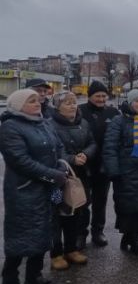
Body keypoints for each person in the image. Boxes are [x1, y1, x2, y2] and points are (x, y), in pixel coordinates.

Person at [0, 89, 68, 284]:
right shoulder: (10, 127)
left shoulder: (43, 122)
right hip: (24, 191)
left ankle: (34, 275)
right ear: (18, 105)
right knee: (20, 234)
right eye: (31, 101)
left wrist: (61, 166)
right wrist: (53, 175)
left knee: (45, 229)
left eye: (38, 100)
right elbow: (20, 161)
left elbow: (59, 147)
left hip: (50, 189)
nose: (37, 103)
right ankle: (9, 283)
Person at [103, 89, 138, 256]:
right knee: (129, 206)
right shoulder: (118, 121)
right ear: (130, 102)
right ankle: (135, 240)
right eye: (137, 101)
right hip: (126, 172)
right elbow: (110, 147)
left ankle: (129, 235)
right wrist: (113, 170)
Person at [49, 91, 97, 270]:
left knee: (76, 212)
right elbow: (52, 150)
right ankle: (56, 253)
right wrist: (71, 159)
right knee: (55, 214)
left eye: (74, 102)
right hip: (57, 179)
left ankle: (71, 249)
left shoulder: (83, 123)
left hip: (80, 177)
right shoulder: (49, 125)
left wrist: (86, 154)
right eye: (67, 102)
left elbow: (93, 143)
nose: (72, 105)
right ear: (58, 106)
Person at [79, 80, 120, 247]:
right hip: (85, 163)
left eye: (104, 95)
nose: (101, 99)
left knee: (100, 201)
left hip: (104, 164)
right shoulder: (80, 111)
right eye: (97, 96)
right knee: (82, 202)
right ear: (90, 96)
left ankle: (98, 231)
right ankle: (80, 234)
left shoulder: (112, 112)